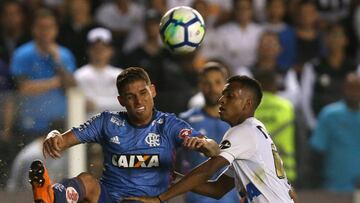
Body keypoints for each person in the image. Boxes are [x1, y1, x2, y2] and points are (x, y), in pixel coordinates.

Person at [28, 67, 219, 203]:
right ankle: (51, 197)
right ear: (121, 100)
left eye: (143, 93)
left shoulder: (169, 125)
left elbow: (212, 148)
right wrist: (53, 134)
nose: (138, 101)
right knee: (87, 180)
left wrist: (206, 145)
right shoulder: (107, 122)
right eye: (130, 96)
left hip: (148, 201)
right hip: (109, 196)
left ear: (152, 91)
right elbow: (62, 141)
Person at [126, 75, 296, 203]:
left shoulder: (243, 131)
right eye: (223, 95)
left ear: (247, 104)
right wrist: (169, 175)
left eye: (230, 96)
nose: (221, 100)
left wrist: (159, 199)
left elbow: (206, 171)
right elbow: (217, 189)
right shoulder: (251, 135)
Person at [10, 8, 76, 145]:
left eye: (49, 27)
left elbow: (71, 86)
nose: (45, 32)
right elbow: (23, 88)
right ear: (34, 29)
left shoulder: (65, 55)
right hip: (30, 125)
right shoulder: (22, 54)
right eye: (41, 27)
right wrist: (57, 82)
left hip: (60, 125)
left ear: (56, 30)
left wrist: (57, 61)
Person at [178, 62, 239, 203]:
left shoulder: (240, 122)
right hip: (197, 197)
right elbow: (174, 159)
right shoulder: (185, 121)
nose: (212, 88)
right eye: (207, 83)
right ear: (200, 85)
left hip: (233, 198)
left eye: (218, 82)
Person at [310, 73, 360, 192]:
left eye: (358, 88)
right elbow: (317, 151)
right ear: (344, 88)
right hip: (334, 187)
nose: (354, 92)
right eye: (350, 88)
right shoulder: (330, 114)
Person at [74, 27, 124, 117]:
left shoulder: (120, 75)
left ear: (111, 50)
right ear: (88, 50)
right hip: (88, 127)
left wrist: (97, 104)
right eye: (95, 48)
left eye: (103, 48)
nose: (99, 52)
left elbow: (126, 104)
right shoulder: (79, 75)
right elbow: (81, 105)